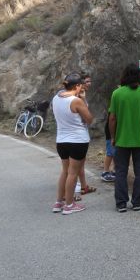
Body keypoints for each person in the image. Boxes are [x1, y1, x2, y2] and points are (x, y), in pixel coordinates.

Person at [108, 64, 140, 212]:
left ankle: (121, 203)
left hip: (121, 141)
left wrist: (113, 137)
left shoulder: (117, 93)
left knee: (121, 172)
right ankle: (137, 202)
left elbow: (112, 119)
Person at [51, 73, 94, 215]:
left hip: (61, 141)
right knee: (73, 173)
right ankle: (69, 205)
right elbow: (89, 119)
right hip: (77, 141)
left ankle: (59, 202)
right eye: (81, 86)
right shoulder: (76, 101)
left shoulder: (56, 98)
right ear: (76, 86)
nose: (82, 88)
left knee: (65, 171)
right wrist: (83, 99)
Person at [75, 73, 96, 199]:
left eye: (90, 81)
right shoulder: (77, 96)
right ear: (80, 84)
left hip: (81, 132)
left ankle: (84, 186)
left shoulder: (82, 95)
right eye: (86, 81)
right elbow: (87, 117)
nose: (89, 84)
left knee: (81, 163)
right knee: (74, 166)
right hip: (77, 135)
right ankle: (71, 193)